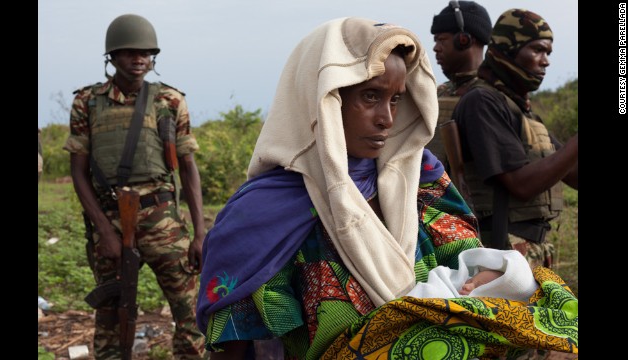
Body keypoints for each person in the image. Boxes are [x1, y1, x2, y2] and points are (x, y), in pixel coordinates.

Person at [196, 17, 577, 360]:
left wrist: (494, 275)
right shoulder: (261, 215)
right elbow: (237, 342)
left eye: (396, 99)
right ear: (321, 99)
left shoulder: (422, 182)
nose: (387, 118)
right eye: (370, 96)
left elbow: (470, 265)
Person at [63, 14, 206, 359]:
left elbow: (188, 167)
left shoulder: (169, 101)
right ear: (111, 57)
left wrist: (200, 233)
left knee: (190, 311)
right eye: (129, 52)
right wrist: (103, 230)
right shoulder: (88, 102)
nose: (139, 59)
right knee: (112, 317)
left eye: (146, 53)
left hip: (162, 220)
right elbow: (78, 172)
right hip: (111, 219)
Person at [453, 9, 578, 269]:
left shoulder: (523, 113)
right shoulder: (483, 102)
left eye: (548, 53)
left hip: (528, 251)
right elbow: (520, 184)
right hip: (500, 255)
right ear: (508, 48)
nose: (545, 61)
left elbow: (573, 174)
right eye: (537, 50)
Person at [427, 0, 492, 191]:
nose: (436, 48)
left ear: (464, 40)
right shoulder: (438, 93)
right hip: (435, 208)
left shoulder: (495, 95)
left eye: (442, 39)